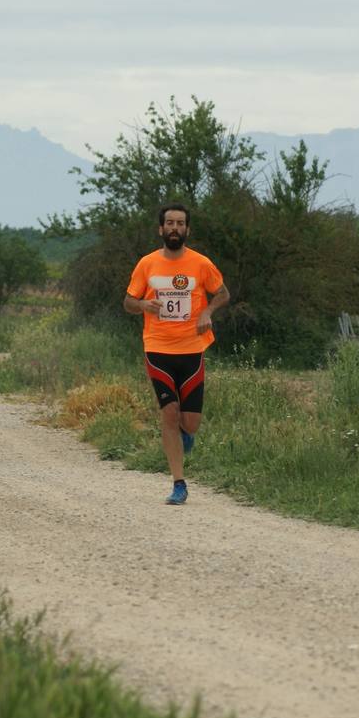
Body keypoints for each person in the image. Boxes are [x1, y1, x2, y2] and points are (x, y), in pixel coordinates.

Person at [123, 203, 230, 505]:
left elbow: (223, 293)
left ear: (187, 230)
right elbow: (128, 301)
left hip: (192, 348)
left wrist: (207, 311)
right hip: (157, 347)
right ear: (161, 229)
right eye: (169, 223)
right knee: (169, 414)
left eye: (180, 223)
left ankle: (184, 439)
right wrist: (143, 305)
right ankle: (179, 483)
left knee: (190, 423)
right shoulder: (147, 264)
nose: (174, 228)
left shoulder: (200, 263)